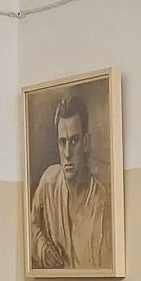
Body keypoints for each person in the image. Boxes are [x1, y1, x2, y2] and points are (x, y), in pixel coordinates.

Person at [30, 94, 111, 270]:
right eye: (62, 142)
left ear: (86, 143)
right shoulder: (49, 181)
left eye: (74, 141)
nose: (67, 153)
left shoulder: (100, 200)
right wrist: (42, 250)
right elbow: (29, 226)